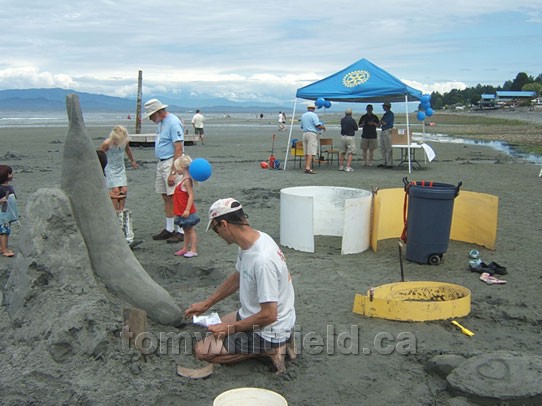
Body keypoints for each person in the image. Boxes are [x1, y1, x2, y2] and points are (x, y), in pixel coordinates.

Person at [185, 198, 296, 373]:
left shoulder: (263, 260)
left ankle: (270, 348)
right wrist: (207, 303)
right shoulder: (251, 242)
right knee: (212, 330)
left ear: (224, 224)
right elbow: (237, 277)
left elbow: (269, 315)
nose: (218, 235)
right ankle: (260, 342)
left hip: (270, 329)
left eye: (215, 230)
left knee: (202, 352)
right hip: (254, 314)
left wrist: (231, 329)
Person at [144, 98, 185, 243]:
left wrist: (174, 171)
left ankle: (181, 230)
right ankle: (169, 228)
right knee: (166, 196)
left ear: (159, 112)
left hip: (171, 162)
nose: (150, 118)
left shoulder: (173, 122)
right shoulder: (161, 123)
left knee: (176, 196)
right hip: (162, 162)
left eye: (151, 115)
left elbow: (178, 149)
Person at [99, 125, 138, 213]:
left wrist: (132, 161)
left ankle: (121, 209)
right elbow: (100, 155)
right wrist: (100, 168)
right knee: (115, 190)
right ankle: (115, 210)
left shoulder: (125, 141)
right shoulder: (107, 143)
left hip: (120, 167)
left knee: (124, 189)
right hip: (110, 167)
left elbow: (128, 150)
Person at [172, 155, 200, 258]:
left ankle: (193, 249)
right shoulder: (182, 179)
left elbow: (191, 195)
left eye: (177, 168)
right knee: (185, 229)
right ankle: (185, 248)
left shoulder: (187, 181)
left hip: (186, 210)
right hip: (181, 209)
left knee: (190, 229)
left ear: (182, 168)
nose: (176, 170)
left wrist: (187, 209)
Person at [300, 104, 325, 174]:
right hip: (311, 133)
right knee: (311, 151)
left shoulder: (303, 115)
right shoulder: (314, 115)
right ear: (313, 109)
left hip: (304, 133)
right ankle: (308, 168)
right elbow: (317, 125)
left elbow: (301, 126)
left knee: (306, 152)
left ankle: (307, 166)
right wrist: (323, 127)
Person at [0, 165, 18, 258]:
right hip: (3, 214)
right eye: (10, 173)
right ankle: (4, 250)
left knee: (5, 231)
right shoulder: (1, 188)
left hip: (9, 213)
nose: (12, 174)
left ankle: (1, 247)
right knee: (4, 232)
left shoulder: (9, 187)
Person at [338, 108, 358, 172]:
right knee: (350, 152)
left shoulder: (342, 120)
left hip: (343, 136)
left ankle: (341, 166)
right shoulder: (352, 120)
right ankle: (348, 167)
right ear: (351, 113)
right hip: (350, 137)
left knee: (342, 152)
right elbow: (356, 128)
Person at [379, 102, 395, 168]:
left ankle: (389, 163)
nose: (383, 107)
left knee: (388, 147)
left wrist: (381, 122)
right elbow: (381, 123)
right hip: (383, 130)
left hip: (388, 130)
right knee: (383, 147)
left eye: (384, 106)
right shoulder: (385, 114)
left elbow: (385, 123)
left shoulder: (390, 114)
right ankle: (384, 161)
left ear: (386, 107)